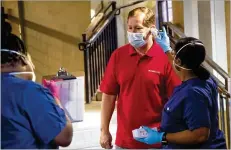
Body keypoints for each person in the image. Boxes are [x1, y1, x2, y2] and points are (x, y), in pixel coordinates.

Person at [99, 7, 181, 149]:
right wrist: (104, 130)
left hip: (157, 141)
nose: (132, 33)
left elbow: (177, 99)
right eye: (129, 28)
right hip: (125, 141)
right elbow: (109, 95)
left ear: (152, 29)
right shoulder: (118, 56)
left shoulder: (164, 58)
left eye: (138, 28)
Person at [135, 32, 227, 148]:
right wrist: (166, 49)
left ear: (178, 61)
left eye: (174, 54)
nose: (172, 56)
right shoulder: (205, 78)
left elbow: (200, 135)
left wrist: (161, 137)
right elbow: (181, 70)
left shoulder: (193, 93)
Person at [1, 21, 73, 149]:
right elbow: (64, 137)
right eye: (30, 60)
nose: (33, 66)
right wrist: (55, 101)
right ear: (21, 59)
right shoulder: (29, 91)